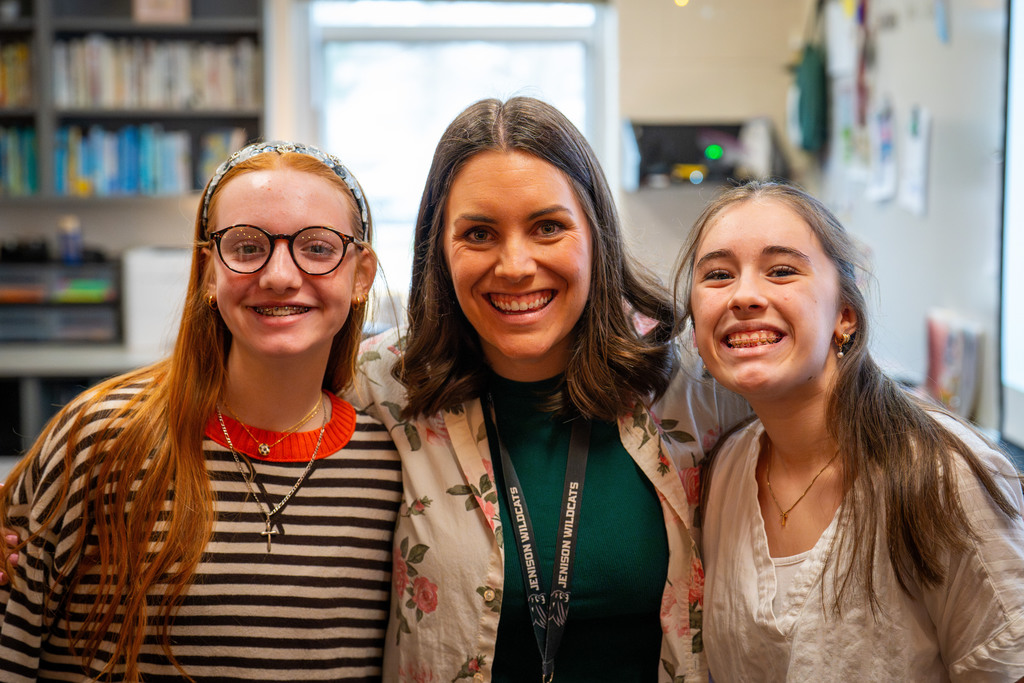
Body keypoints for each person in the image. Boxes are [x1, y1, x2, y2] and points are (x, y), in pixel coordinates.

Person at [353, 96, 749, 682]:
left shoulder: (693, 381)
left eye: (548, 227)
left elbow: (832, 403)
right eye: (479, 233)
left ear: (596, 235)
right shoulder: (382, 386)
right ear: (438, 248)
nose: (515, 265)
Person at [0, 141, 401, 682]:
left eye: (318, 248)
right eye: (246, 246)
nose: (280, 275)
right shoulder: (100, 439)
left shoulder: (392, 467)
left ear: (361, 275)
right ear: (209, 270)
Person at [675, 179, 1024, 681]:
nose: (744, 295)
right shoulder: (725, 469)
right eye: (717, 275)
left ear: (845, 315)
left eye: (781, 271)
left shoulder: (944, 475)